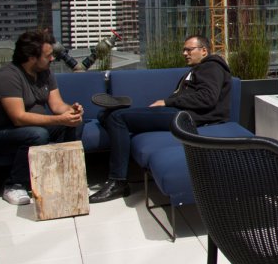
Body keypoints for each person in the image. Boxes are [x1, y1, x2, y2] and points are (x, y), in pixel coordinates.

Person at [88, 34, 232, 204]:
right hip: (177, 111)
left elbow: (207, 98)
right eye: (183, 49)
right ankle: (120, 115)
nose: (184, 53)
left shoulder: (211, 67)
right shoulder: (198, 70)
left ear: (204, 51)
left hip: (185, 117)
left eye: (189, 49)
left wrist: (167, 101)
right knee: (104, 115)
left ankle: (118, 181)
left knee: (116, 118)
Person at [0, 29, 85, 206]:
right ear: (32, 57)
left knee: (75, 124)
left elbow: (57, 106)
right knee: (37, 135)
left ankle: (63, 175)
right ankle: (14, 184)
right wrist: (59, 119)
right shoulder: (8, 77)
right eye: (48, 56)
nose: (52, 59)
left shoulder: (45, 72)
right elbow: (19, 118)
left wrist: (71, 111)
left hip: (28, 129)